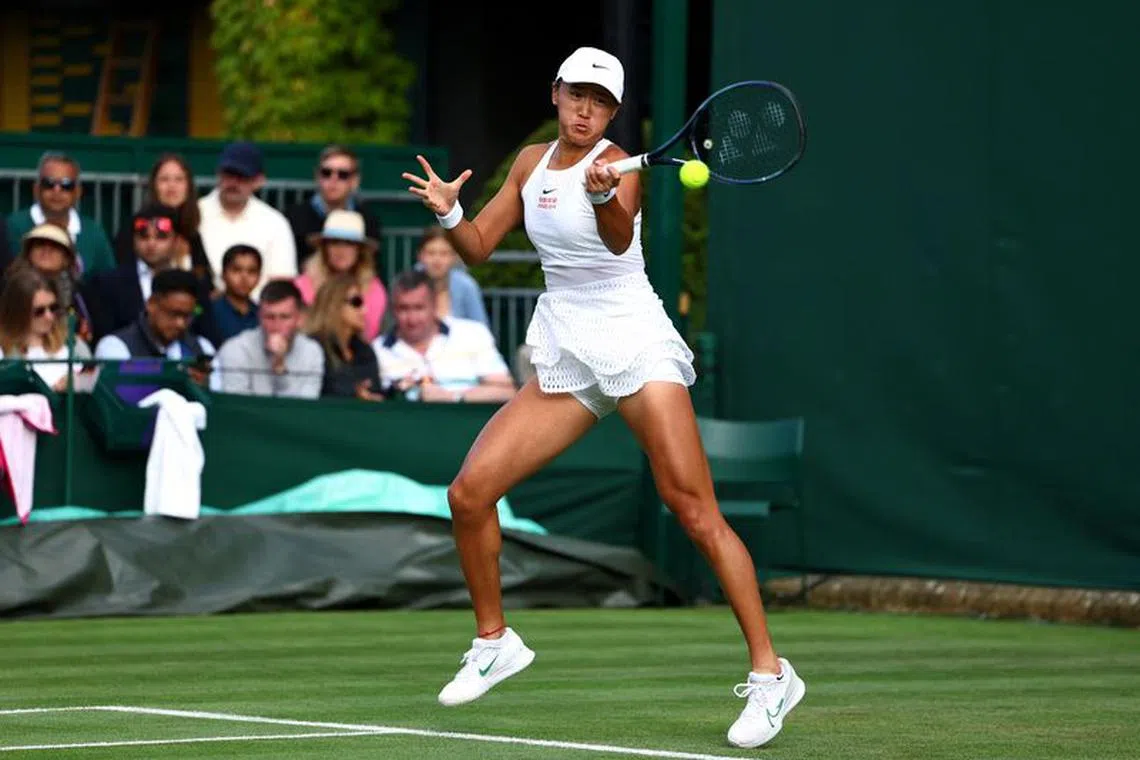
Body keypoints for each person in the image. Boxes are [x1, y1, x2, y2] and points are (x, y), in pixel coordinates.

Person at [402, 46, 804, 748]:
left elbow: (618, 244)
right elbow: (477, 247)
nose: (586, 109)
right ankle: (495, 641)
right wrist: (448, 211)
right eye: (576, 94)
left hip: (634, 340)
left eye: (601, 101)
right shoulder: (528, 164)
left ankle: (773, 677)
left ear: (613, 111)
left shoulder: (621, 170)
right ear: (556, 93)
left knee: (692, 509)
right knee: (469, 494)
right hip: (567, 344)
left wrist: (597, 194)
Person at [295, 209, 387, 342]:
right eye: (334, 242)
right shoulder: (302, 285)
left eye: (349, 243)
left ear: (359, 250)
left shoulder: (373, 288)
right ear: (324, 248)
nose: (341, 250)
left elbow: (369, 334)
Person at [0, 262, 92, 391]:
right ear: (18, 312)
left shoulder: (71, 346)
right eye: (39, 311)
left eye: (53, 308)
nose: (49, 316)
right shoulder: (3, 352)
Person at [305, 274, 386, 401]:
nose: (364, 310)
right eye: (356, 302)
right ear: (334, 304)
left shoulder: (365, 350)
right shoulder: (312, 348)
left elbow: (375, 390)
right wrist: (354, 394)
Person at [416, 226, 490, 327]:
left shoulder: (467, 286)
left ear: (454, 257)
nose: (437, 260)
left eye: (444, 253)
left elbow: (482, 328)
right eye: (431, 253)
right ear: (420, 255)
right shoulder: (407, 285)